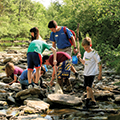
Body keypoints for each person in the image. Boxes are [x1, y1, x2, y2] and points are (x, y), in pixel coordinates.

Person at [77, 37, 102, 108]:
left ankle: (87, 102)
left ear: (90, 45)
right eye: (84, 47)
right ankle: (93, 101)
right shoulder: (85, 53)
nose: (85, 49)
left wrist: (100, 74)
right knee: (88, 87)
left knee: (88, 87)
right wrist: (80, 58)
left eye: (87, 47)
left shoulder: (94, 53)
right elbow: (85, 63)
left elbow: (99, 63)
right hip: (86, 72)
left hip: (92, 72)